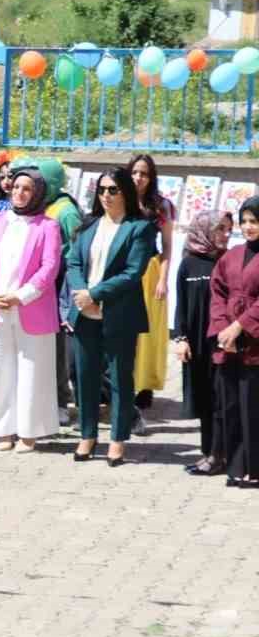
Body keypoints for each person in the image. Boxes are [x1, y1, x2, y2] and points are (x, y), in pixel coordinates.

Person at [65, 166, 155, 467]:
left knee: (119, 377)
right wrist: (81, 294)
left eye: (113, 189)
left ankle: (117, 439)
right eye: (101, 190)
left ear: (126, 192)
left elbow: (133, 272)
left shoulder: (139, 228)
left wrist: (96, 294)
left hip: (118, 313)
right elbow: (73, 262)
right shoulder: (89, 225)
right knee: (85, 376)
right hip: (84, 311)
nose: (106, 195)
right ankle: (88, 435)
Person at [0, 170, 63, 452]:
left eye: (27, 189)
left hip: (31, 307)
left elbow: (49, 268)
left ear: (37, 193)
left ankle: (29, 431)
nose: (19, 193)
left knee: (32, 371)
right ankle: (2, 429)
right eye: (15, 187)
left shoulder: (48, 226)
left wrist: (20, 296)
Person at [177, 211, 230, 476]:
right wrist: (181, 338)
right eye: (221, 228)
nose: (226, 234)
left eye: (228, 229)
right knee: (202, 398)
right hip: (195, 343)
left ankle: (220, 455)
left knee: (220, 398)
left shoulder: (228, 261)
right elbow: (182, 305)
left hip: (220, 341)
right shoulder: (188, 263)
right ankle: (208, 452)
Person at [211, 198, 259, 487]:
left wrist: (241, 326)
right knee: (230, 406)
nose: (248, 227)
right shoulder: (230, 256)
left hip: (254, 343)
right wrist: (222, 331)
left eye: (254, 221)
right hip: (228, 344)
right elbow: (216, 293)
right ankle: (236, 465)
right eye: (245, 221)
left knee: (253, 405)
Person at [36, 158, 84, 418]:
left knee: (57, 347)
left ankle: (61, 400)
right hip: (43, 285)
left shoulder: (65, 211)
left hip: (59, 286)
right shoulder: (45, 205)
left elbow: (77, 250)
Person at [130, 154, 174, 421]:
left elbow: (168, 244)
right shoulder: (117, 198)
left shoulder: (161, 206)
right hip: (123, 273)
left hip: (150, 272)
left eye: (144, 173)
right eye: (135, 172)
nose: (138, 177)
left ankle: (144, 385)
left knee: (148, 333)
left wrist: (163, 279)